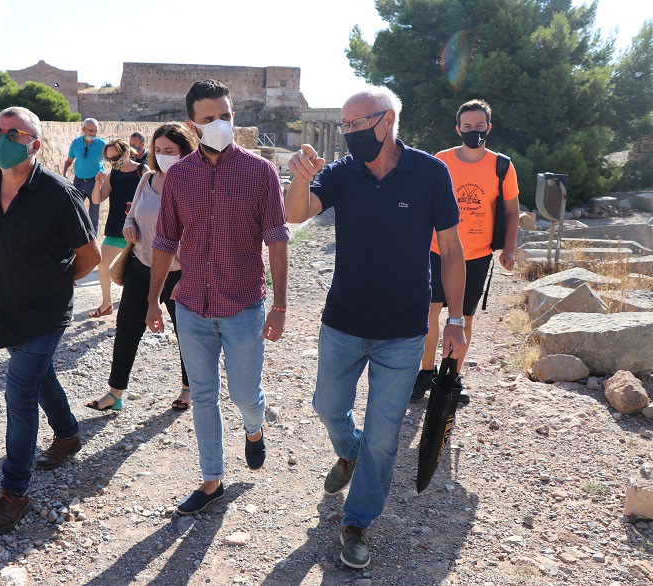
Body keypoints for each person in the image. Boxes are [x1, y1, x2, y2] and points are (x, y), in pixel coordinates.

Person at [284, 85, 468, 569]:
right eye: (344, 125)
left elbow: (452, 251)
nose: (349, 133)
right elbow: (295, 214)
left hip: (404, 332)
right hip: (343, 322)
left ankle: (357, 521)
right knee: (327, 406)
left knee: (385, 437)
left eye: (357, 123)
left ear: (387, 121)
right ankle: (350, 453)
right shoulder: (343, 173)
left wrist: (455, 319)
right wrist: (301, 179)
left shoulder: (430, 172)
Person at [146, 79, 290, 515]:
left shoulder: (260, 172)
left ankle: (254, 428)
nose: (219, 124)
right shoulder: (179, 177)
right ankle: (212, 480)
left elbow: (277, 240)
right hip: (191, 306)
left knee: (245, 395)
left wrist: (280, 305)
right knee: (203, 396)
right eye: (209, 118)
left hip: (243, 306)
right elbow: (164, 241)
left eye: (225, 115)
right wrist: (153, 300)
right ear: (192, 124)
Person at [0, 106, 101, 534]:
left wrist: (56, 283)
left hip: (46, 311)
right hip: (5, 310)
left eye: (14, 134)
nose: (2, 139)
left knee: (19, 394)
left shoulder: (59, 193)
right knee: (40, 378)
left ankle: (14, 491)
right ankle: (68, 434)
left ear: (35, 144)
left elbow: (90, 256)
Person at [411, 99, 520, 405]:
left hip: (477, 254)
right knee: (430, 314)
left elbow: (512, 211)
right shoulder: (441, 160)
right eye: (468, 126)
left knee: (464, 319)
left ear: (489, 127)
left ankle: (451, 376)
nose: (474, 130)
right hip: (437, 250)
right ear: (458, 129)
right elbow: (423, 204)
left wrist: (509, 248)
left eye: (479, 125)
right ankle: (426, 373)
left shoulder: (502, 166)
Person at [85, 123, 196, 413]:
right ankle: (115, 393)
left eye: (169, 150)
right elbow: (130, 216)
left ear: (184, 151)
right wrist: (130, 226)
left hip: (178, 273)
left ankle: (188, 389)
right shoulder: (147, 179)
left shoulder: (194, 184)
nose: (162, 155)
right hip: (140, 266)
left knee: (185, 333)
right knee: (126, 329)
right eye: (158, 150)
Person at [89, 139, 149, 318]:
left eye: (116, 157)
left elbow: (154, 196)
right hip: (117, 229)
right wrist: (98, 183)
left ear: (126, 152)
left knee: (140, 270)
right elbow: (97, 199)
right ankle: (106, 304)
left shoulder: (142, 171)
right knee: (102, 263)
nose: (113, 162)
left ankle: (146, 305)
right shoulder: (113, 175)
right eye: (110, 159)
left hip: (140, 230)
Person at [63, 118, 105, 232]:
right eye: (90, 130)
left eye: (95, 131)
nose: (93, 133)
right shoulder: (76, 143)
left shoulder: (103, 145)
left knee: (94, 216)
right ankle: (77, 237)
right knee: (75, 212)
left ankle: (93, 239)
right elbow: (69, 161)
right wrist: (64, 174)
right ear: (83, 129)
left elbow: (112, 159)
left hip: (95, 183)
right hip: (78, 182)